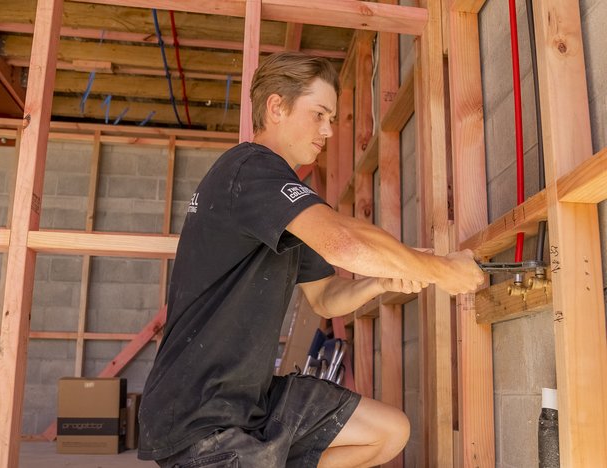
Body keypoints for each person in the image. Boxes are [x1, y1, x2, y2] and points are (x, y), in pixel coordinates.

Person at [138, 51, 484, 468]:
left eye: (333, 119)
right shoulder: (250, 169)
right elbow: (344, 242)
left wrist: (380, 283)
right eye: (320, 113)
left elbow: (325, 298)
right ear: (277, 106)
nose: (329, 130)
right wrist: (444, 269)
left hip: (253, 402)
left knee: (388, 431)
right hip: (199, 414)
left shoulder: (281, 201)